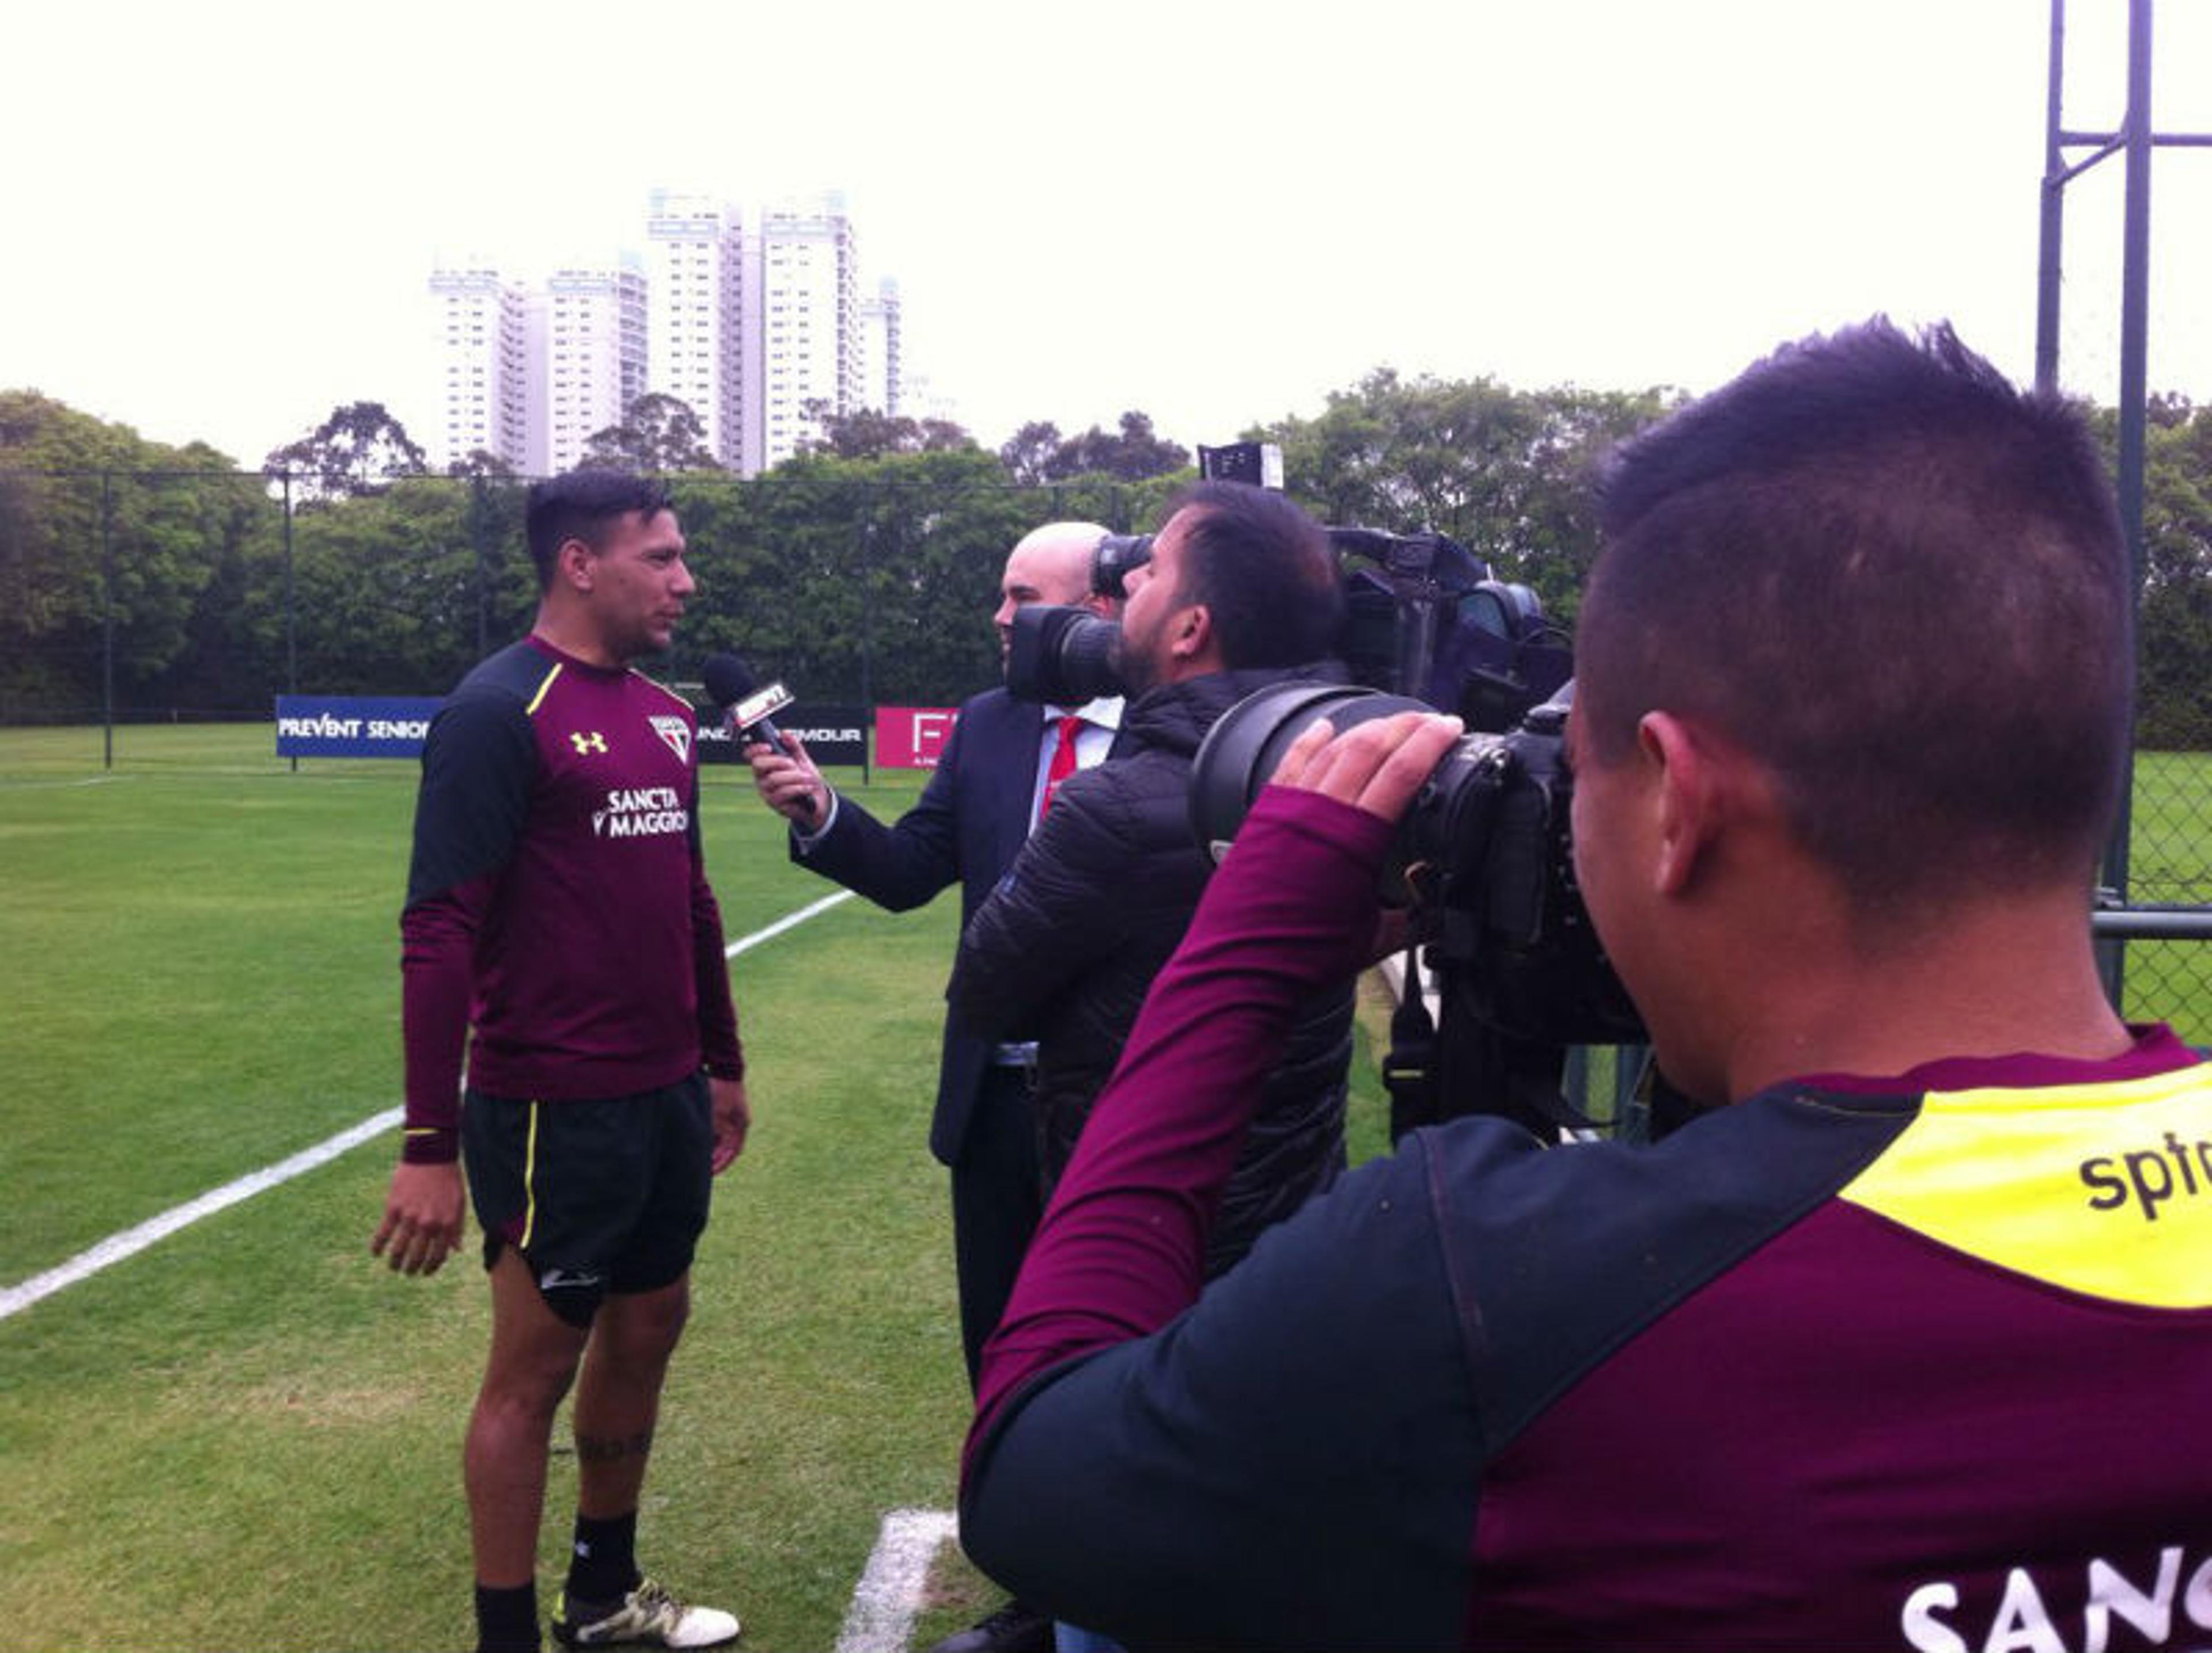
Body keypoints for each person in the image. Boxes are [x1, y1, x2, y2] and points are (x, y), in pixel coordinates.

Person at [957, 321, 2212, 1650]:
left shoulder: (1490, 1288)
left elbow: (1038, 1474)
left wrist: (1248, 935)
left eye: (1574, 766)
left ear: (1676, 798)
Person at [372, 469, 750, 1653]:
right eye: (662, 557)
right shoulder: (499, 710)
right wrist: (429, 1145)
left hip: (665, 1095)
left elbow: (689, 896)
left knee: (651, 1327)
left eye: (683, 556)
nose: (684, 579)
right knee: (531, 1371)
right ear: (581, 563)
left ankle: (603, 1596)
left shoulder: (667, 714)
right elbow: (438, 928)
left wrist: (721, 1061)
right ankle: (505, 1639)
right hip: (550, 1106)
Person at [745, 520, 1119, 1653]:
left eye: (1021, 594)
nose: (1000, 617)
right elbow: (915, 870)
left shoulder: (1176, 730)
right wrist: (823, 814)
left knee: (1121, 1352)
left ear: (1100, 612)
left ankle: (1132, 1585)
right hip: (995, 1106)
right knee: (1003, 1351)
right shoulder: (990, 724)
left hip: (1122, 1113)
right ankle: (1039, 1590)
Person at [948, 480, 1353, 1280]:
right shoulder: (1342, 770)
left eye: (1152, 569)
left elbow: (985, 991)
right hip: (1295, 1228)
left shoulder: (1113, 812)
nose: (1125, 581)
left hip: (1140, 1234)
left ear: (1190, 628)